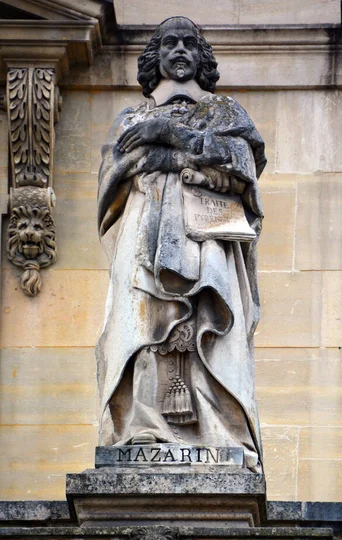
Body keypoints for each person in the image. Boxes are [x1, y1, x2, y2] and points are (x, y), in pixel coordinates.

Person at [96, 16, 266, 472]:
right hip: (143, 233)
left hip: (204, 236)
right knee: (143, 325)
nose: (180, 50)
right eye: (169, 43)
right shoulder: (132, 118)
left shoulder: (225, 112)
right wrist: (164, 150)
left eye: (190, 43)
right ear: (156, 56)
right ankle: (142, 428)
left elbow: (244, 167)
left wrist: (171, 142)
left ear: (202, 57)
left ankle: (215, 428)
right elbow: (111, 177)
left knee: (207, 322)